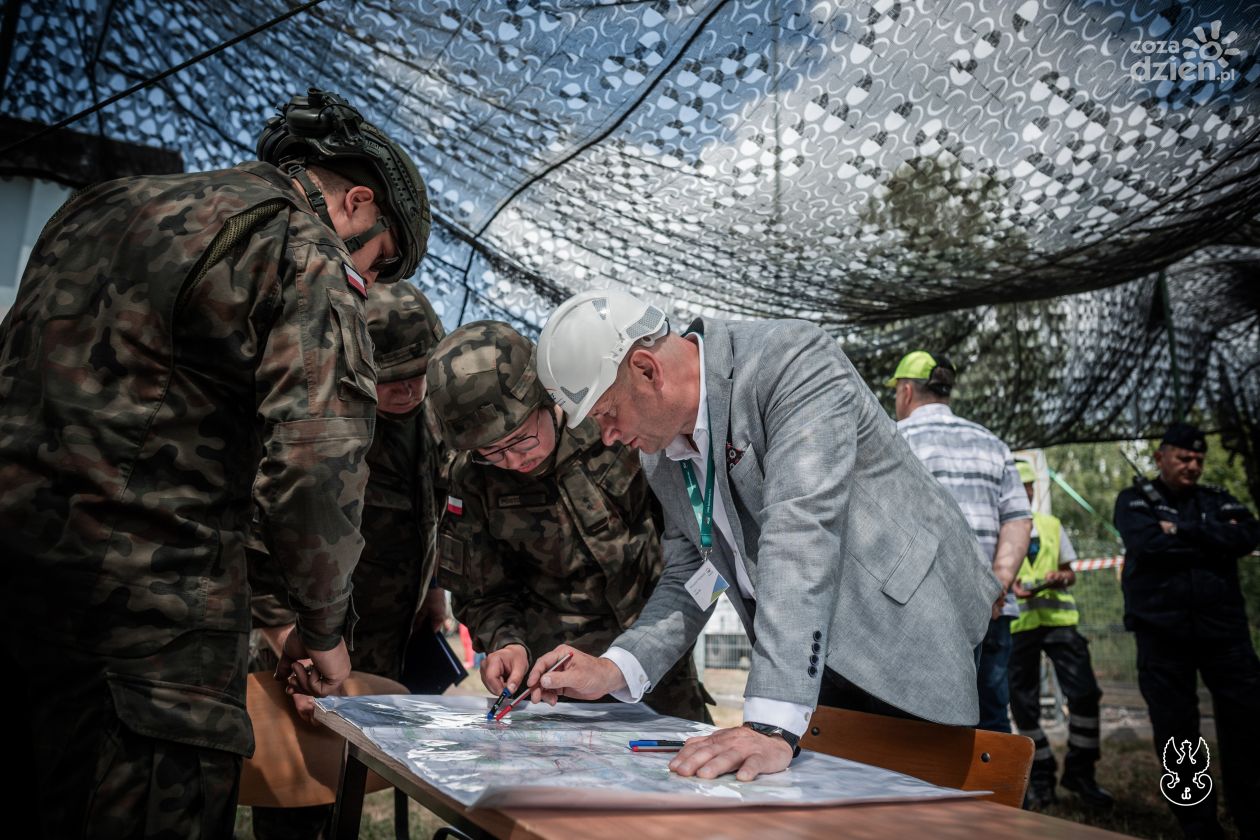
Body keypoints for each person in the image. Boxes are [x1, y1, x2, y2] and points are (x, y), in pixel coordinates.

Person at [0, 88, 430, 837]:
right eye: (379, 261)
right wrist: (322, 632)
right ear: (358, 203)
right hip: (151, 655)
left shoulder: (102, 205)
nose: (368, 282)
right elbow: (314, 466)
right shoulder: (302, 249)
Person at [523, 290, 1001, 782]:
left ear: (647, 370)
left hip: (903, 628)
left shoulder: (791, 361)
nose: (607, 436)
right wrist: (616, 668)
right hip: (811, 654)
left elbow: (801, 533)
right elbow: (696, 575)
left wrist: (771, 723)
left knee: (925, 813)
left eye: (606, 413)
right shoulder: (661, 458)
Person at [426, 320, 713, 723]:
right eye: (492, 451)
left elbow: (695, 546)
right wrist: (507, 643)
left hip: (657, 667)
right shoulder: (471, 477)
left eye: (521, 439)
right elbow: (482, 591)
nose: (512, 460)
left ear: (546, 400)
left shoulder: (617, 424)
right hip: (554, 685)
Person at [247, 279, 447, 839]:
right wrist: (285, 631)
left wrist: (433, 591)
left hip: (387, 635)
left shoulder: (429, 422)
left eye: (418, 374)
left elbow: (429, 510)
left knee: (362, 780)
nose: (408, 390)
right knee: (299, 794)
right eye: (393, 378)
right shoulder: (321, 419)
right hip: (314, 636)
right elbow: (272, 526)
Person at [1115, 423, 1260, 839]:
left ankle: (1250, 814)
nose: (1192, 465)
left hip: (1225, 635)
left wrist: (1180, 530)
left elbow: (1247, 535)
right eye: (1183, 457)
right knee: (1179, 735)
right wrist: (1214, 539)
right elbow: (1147, 546)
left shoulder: (1217, 498)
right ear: (1161, 457)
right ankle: (1198, 826)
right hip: (1163, 636)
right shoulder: (1135, 500)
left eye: (1199, 459)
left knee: (1247, 726)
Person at [888, 350, 1032, 733]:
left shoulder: (890, 442)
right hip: (991, 611)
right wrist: (996, 586)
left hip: (912, 614)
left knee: (915, 729)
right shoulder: (992, 444)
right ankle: (993, 795)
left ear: (905, 392)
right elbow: (1018, 519)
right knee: (989, 725)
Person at [1007, 460, 1112, 809]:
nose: (1026, 492)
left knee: (1084, 693)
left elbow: (1070, 573)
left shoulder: (1051, 526)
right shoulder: (1001, 528)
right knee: (1024, 707)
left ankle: (1081, 772)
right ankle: (1040, 777)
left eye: (1030, 486)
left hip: (1059, 624)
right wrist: (1010, 584)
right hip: (1020, 627)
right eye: (1019, 486)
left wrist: (1060, 577)